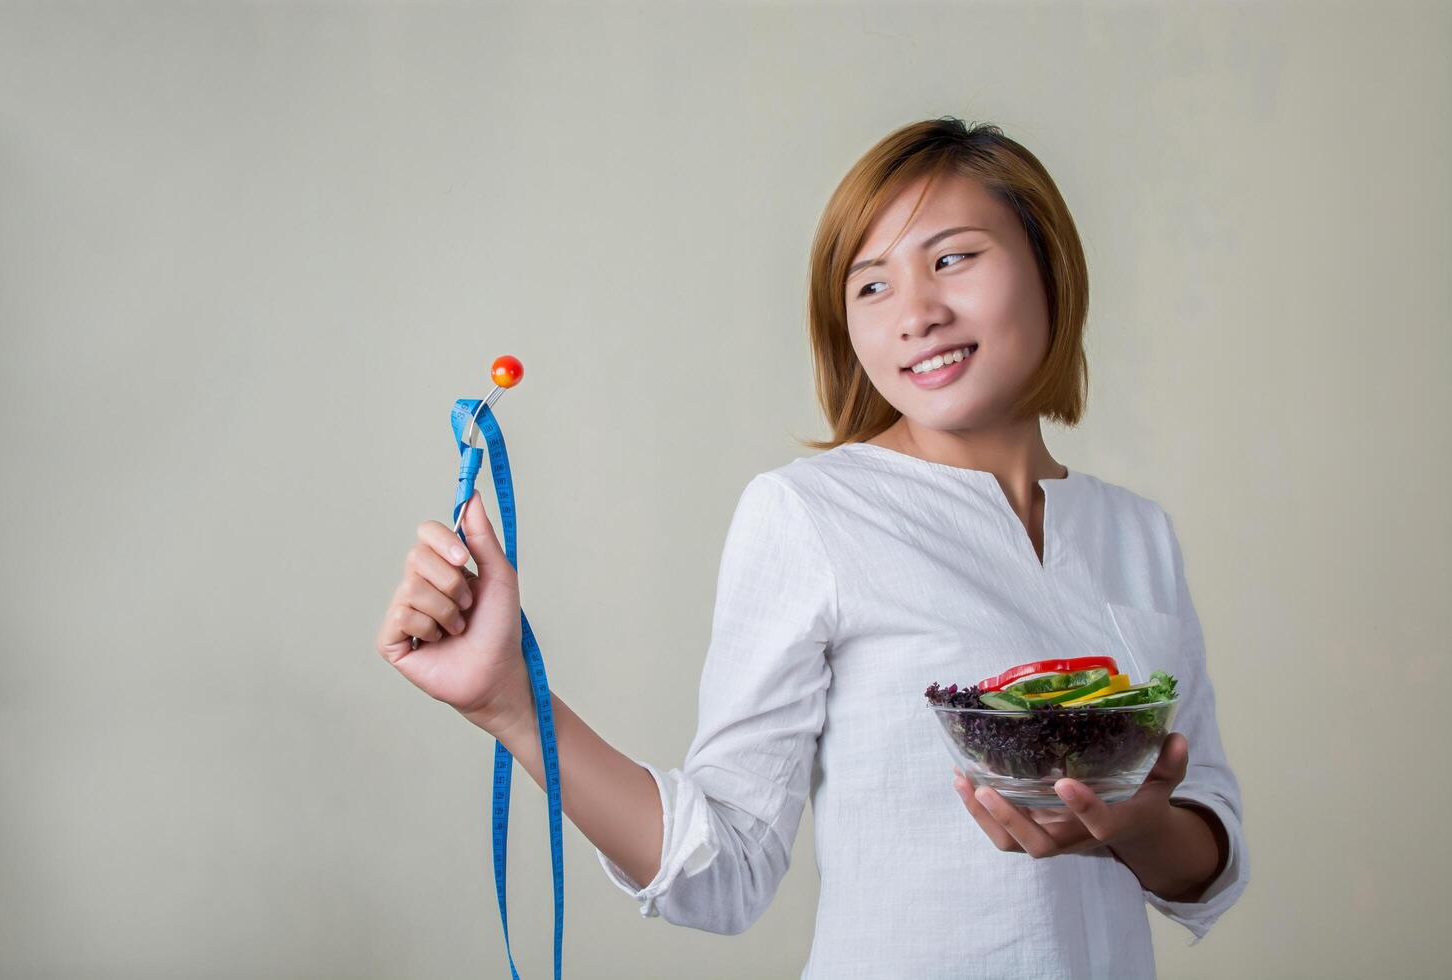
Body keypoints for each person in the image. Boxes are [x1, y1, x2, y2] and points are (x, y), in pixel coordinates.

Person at [374, 116, 1249, 978]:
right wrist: (511, 705)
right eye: (870, 286)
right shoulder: (810, 513)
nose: (917, 313)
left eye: (952, 258)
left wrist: (1135, 827)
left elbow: (1208, 857)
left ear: (1049, 268)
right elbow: (724, 872)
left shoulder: (1139, 534)